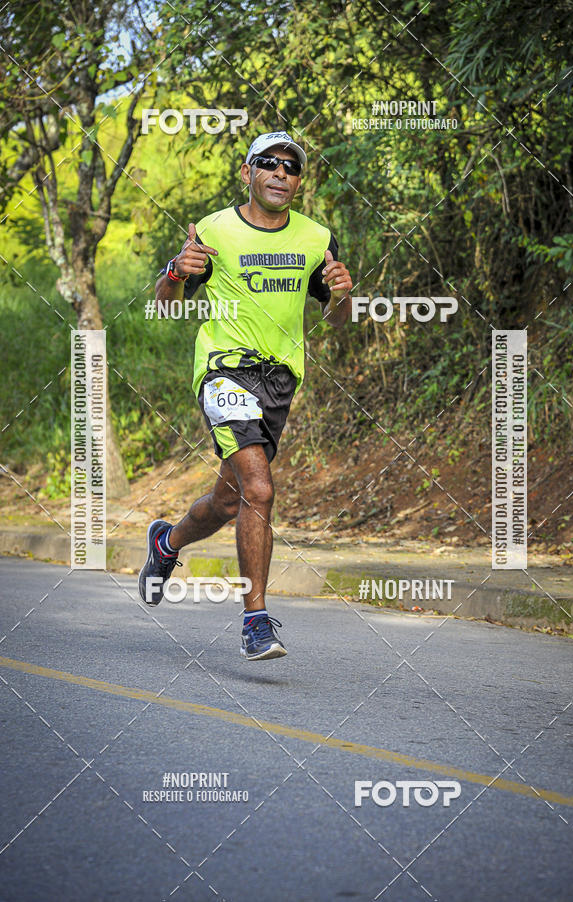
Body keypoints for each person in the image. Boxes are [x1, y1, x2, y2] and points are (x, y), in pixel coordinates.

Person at [139, 130, 352, 660]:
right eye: (270, 164)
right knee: (259, 488)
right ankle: (256, 620)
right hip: (224, 372)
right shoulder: (214, 230)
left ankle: (166, 543)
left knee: (230, 500)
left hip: (280, 380)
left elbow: (338, 319)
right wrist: (173, 273)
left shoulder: (314, 237)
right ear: (247, 172)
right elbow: (166, 307)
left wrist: (345, 295)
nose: (282, 173)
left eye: (292, 167)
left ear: (299, 181)